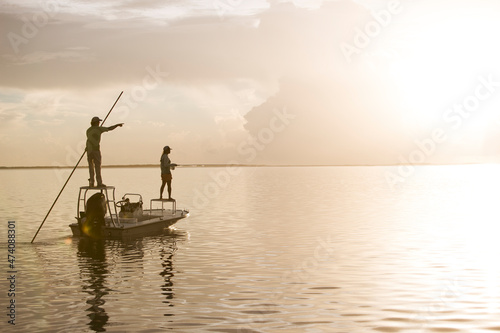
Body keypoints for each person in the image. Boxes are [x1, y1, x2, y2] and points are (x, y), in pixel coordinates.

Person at [86, 116, 123, 187]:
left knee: (91, 167)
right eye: (98, 122)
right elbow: (109, 128)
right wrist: (117, 125)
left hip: (89, 150)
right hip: (95, 150)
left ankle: (91, 182)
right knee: (97, 166)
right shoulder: (99, 129)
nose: (99, 123)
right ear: (96, 123)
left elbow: (89, 139)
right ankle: (99, 183)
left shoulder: (88, 130)